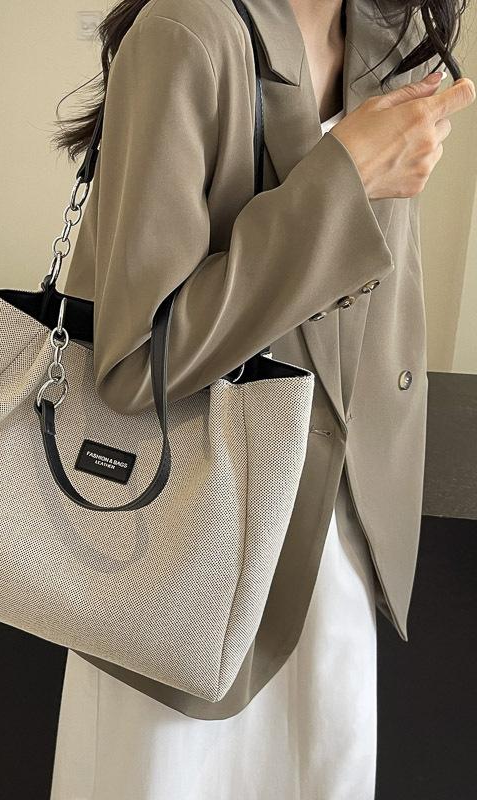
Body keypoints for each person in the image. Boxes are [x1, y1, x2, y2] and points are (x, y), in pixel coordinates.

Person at [47, 0, 475, 797]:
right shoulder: (187, 34)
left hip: (334, 541)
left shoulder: (392, 36)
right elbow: (137, 360)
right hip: (182, 547)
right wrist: (342, 179)